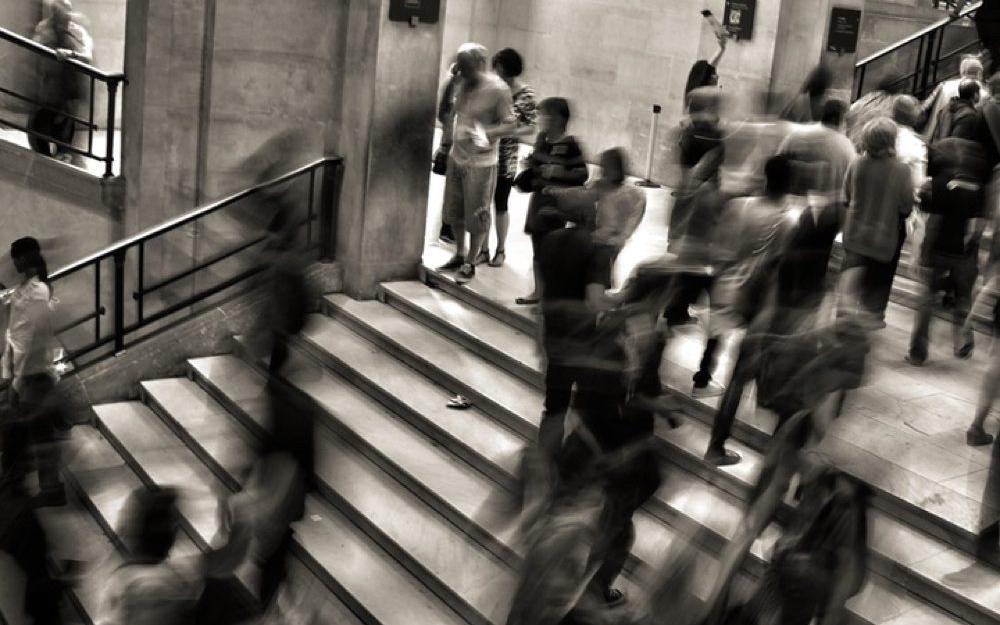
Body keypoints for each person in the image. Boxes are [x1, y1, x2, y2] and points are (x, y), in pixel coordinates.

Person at [704, 156, 800, 466]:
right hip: (761, 304)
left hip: (727, 292)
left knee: (744, 373)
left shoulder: (739, 205)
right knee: (745, 375)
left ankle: (705, 373)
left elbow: (719, 249)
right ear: (790, 184)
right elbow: (779, 271)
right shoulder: (787, 221)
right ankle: (717, 446)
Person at [438, 43, 516, 285]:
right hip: (457, 157)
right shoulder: (461, 83)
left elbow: (510, 124)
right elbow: (446, 113)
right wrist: (451, 80)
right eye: (459, 65)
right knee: (454, 210)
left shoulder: (498, 89)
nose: (462, 70)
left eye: (466, 65)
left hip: (481, 162)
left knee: (477, 213)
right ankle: (459, 253)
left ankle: (471, 261)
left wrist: (486, 133)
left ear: (480, 64)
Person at [907, 136, 989, 367]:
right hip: (964, 255)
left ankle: (917, 352)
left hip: (938, 251)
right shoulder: (979, 188)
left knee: (926, 301)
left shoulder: (937, 184)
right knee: (963, 299)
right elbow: (978, 227)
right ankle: (963, 342)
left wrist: (921, 254)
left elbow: (929, 223)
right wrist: (973, 251)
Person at [0, 236, 65, 507]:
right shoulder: (23, 291)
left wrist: (15, 382)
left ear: (25, 259)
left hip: (34, 374)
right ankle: (46, 488)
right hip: (26, 373)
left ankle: (38, 488)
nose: (13, 262)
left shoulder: (37, 291)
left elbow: (30, 338)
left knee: (32, 432)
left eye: (16, 257)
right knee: (35, 432)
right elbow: (14, 335)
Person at [839, 118, 915, 323]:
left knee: (847, 297)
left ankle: (839, 339)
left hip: (854, 238)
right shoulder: (902, 170)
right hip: (882, 244)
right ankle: (863, 339)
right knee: (871, 300)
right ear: (891, 141)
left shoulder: (856, 163)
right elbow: (906, 208)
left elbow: (845, 199)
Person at [515, 97, 589, 305]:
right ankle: (539, 291)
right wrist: (531, 166)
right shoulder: (541, 139)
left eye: (544, 115)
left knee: (552, 248)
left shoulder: (570, 145)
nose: (540, 120)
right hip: (538, 200)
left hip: (556, 203)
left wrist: (561, 172)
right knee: (537, 246)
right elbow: (537, 166)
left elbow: (582, 174)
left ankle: (551, 294)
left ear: (557, 119)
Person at [479, 48, 537, 268]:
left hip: (506, 156)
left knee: (500, 203)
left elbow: (530, 128)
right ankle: (482, 248)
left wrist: (505, 131)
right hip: (485, 152)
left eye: (501, 69)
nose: (498, 73)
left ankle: (500, 249)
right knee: (482, 203)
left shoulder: (525, 95)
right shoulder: (494, 89)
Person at [542, 148, 646, 262]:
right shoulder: (603, 186)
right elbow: (581, 194)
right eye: (603, 166)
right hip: (598, 241)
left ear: (616, 167)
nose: (603, 171)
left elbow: (627, 226)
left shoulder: (633, 195)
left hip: (607, 245)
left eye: (605, 166)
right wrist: (554, 192)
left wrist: (609, 241)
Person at [30, 0, 94, 163]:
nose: (60, 17)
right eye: (56, 13)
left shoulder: (77, 31)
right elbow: (35, 47)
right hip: (50, 85)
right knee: (41, 124)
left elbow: (87, 56)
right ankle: (46, 159)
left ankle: (64, 154)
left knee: (65, 123)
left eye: (64, 13)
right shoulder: (45, 28)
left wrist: (71, 54)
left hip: (69, 87)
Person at [921, 56, 986, 143]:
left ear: (962, 72)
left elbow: (925, 108)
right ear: (979, 73)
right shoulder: (985, 94)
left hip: (935, 141)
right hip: (963, 147)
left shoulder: (944, 86)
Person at [683, 9, 729, 108]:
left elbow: (711, 67)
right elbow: (710, 67)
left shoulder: (701, 97)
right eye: (714, 75)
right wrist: (722, 49)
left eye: (715, 74)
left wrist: (722, 49)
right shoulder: (699, 100)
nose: (717, 77)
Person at [846, 74, 905, 147]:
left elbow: (850, 113)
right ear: (900, 90)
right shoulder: (893, 104)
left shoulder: (869, 96)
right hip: (866, 144)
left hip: (850, 140)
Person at [953, 1, 1000, 75]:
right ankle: (992, 77)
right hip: (992, 22)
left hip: (984, 19)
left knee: (993, 52)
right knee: (995, 52)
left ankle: (990, 77)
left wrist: (956, 12)